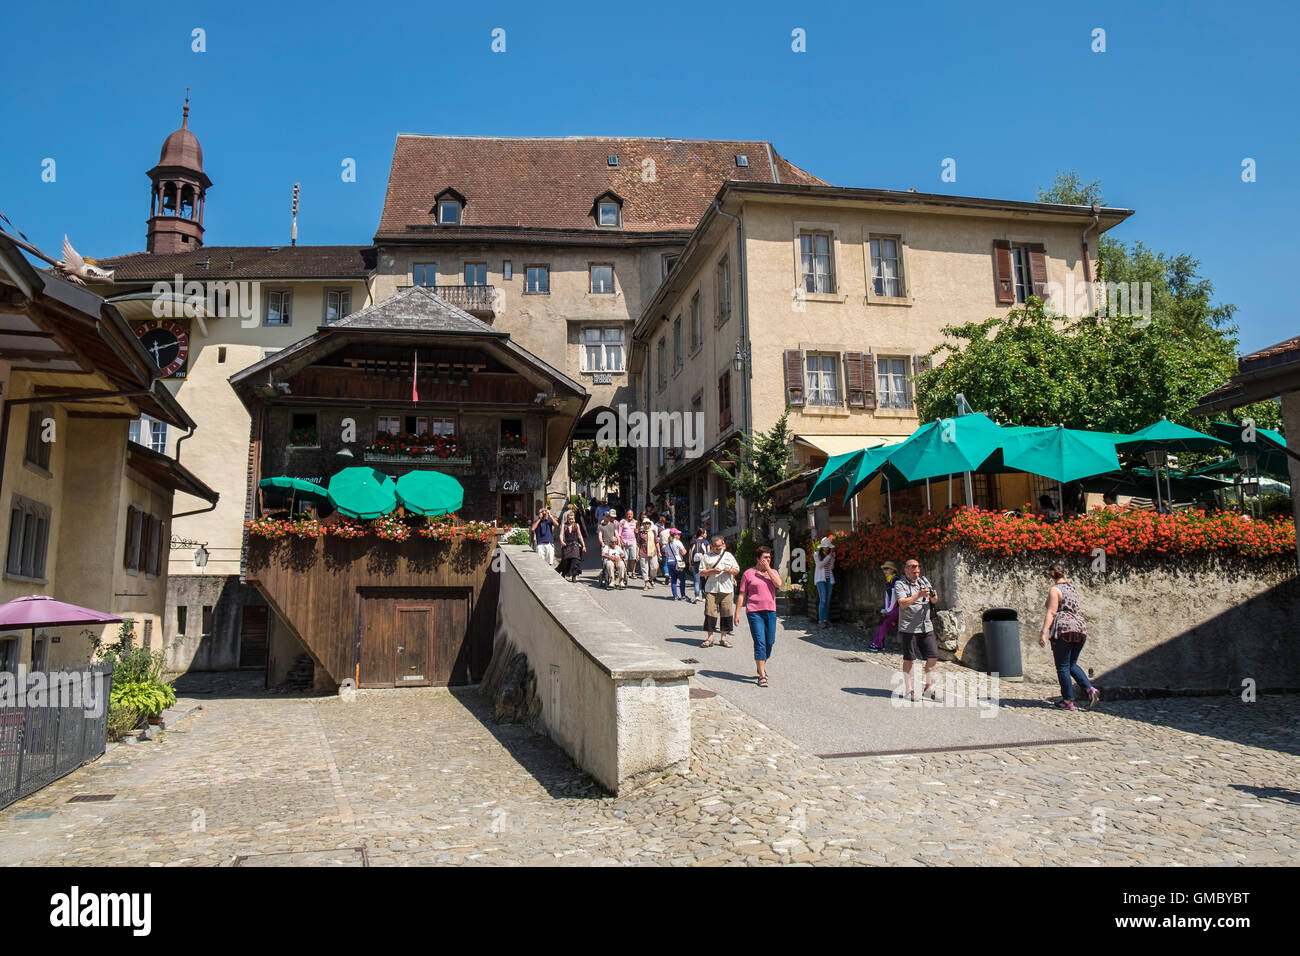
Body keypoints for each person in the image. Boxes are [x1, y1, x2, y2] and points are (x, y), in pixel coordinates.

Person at [1038, 563, 1099, 711]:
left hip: (1064, 629)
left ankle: (1067, 700)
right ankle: (1090, 690)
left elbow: (1052, 612)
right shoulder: (1072, 589)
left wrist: (1044, 632)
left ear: (1051, 575)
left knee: (1062, 666)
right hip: (1080, 628)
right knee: (1071, 664)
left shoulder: (1055, 590)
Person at [894, 558, 940, 701]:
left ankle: (929, 687)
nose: (917, 571)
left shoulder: (924, 581)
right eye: (913, 568)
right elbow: (902, 603)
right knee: (909, 659)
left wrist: (932, 594)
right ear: (906, 569)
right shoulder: (900, 584)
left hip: (926, 626)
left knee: (933, 656)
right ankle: (909, 690)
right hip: (909, 627)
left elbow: (935, 600)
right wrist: (918, 595)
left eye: (918, 568)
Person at [736, 545, 781, 687]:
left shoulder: (773, 572)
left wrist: (767, 569)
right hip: (754, 612)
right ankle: (762, 675)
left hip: (770, 611)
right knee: (760, 642)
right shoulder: (748, 574)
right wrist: (737, 613)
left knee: (770, 642)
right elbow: (742, 594)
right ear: (757, 558)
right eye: (764, 558)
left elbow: (779, 584)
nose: (768, 560)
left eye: (769, 557)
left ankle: (760, 663)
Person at [699, 535, 740, 647]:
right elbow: (701, 572)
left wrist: (730, 570)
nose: (718, 548)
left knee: (726, 613)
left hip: (726, 589)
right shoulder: (706, 556)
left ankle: (723, 638)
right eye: (716, 546)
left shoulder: (728, 555)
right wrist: (712, 571)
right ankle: (710, 638)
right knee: (710, 613)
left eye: (720, 546)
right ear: (711, 546)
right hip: (711, 588)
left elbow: (737, 569)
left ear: (723, 544)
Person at [872, 560, 900, 651]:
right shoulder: (888, 580)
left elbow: (894, 597)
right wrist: (886, 609)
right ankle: (880, 644)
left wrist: (888, 610)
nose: (885, 571)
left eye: (887, 569)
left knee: (884, 622)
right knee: (882, 621)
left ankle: (877, 644)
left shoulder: (895, 580)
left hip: (897, 608)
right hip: (892, 607)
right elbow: (887, 596)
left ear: (892, 570)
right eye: (884, 569)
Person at [813, 536, 836, 627]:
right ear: (822, 546)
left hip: (829, 579)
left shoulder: (829, 555)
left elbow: (831, 567)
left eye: (828, 547)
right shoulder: (816, 554)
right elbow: (819, 565)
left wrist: (833, 559)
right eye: (826, 546)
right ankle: (821, 620)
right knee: (823, 599)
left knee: (828, 599)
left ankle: (826, 619)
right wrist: (829, 557)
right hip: (820, 579)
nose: (827, 548)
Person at [557, 514, 586, 583]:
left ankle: (574, 576)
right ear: (567, 519)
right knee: (566, 560)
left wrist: (584, 545)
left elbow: (580, 536)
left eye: (572, 519)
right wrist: (562, 541)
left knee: (575, 560)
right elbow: (561, 535)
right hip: (567, 545)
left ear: (574, 519)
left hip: (575, 545)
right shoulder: (564, 526)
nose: (571, 520)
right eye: (570, 519)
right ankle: (564, 573)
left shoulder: (576, 525)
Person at [664, 529, 690, 600]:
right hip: (678, 563)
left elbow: (666, 555)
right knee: (682, 579)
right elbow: (683, 552)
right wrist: (686, 550)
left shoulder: (668, 544)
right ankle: (683, 596)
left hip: (670, 562)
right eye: (678, 534)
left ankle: (675, 596)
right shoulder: (678, 542)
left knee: (673, 580)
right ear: (674, 535)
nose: (679, 535)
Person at [688, 527, 710, 604]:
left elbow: (690, 553)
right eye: (705, 533)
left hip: (694, 563)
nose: (706, 534)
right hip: (703, 564)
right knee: (704, 580)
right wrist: (709, 565)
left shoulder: (693, 542)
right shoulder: (706, 542)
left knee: (696, 581)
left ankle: (697, 596)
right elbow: (708, 553)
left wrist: (690, 563)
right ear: (702, 534)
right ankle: (704, 597)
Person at [637, 518, 661, 590]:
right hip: (643, 552)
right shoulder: (641, 533)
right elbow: (638, 544)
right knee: (644, 568)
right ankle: (646, 583)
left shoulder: (653, 532)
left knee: (654, 567)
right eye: (645, 524)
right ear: (643, 525)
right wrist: (637, 553)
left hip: (653, 552)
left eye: (648, 524)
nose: (646, 525)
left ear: (650, 525)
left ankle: (651, 579)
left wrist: (659, 552)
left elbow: (656, 542)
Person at [618, 509, 639, 575]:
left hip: (633, 543)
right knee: (625, 558)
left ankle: (633, 571)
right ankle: (626, 571)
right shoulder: (622, 522)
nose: (629, 515)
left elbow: (638, 534)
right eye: (628, 514)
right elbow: (619, 533)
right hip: (624, 543)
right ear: (626, 515)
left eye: (631, 514)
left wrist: (637, 532)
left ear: (633, 515)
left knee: (633, 558)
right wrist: (620, 541)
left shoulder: (636, 522)